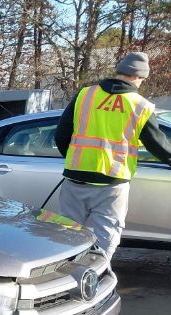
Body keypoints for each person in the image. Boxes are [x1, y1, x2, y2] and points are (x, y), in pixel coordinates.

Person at [54, 52, 171, 258]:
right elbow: (159, 146)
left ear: (119, 72)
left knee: (66, 237)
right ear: (138, 77)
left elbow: (61, 135)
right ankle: (94, 282)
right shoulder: (140, 105)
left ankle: (61, 281)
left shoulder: (85, 95)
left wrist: (75, 160)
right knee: (105, 240)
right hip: (112, 185)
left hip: (75, 178)